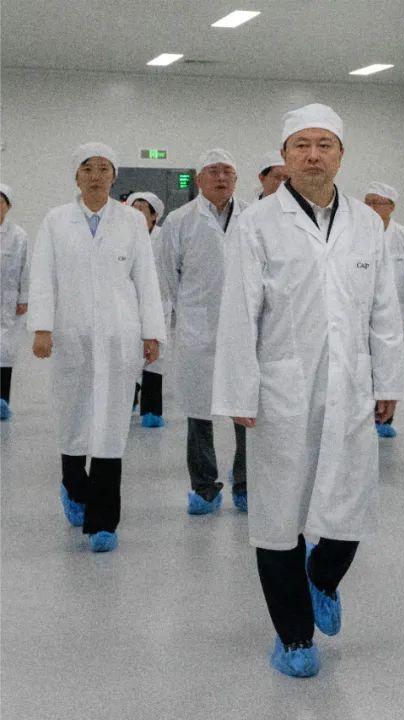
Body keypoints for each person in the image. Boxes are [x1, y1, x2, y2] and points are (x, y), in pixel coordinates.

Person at [212, 103, 404, 678]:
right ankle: (294, 637)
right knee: (279, 512)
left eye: (324, 144)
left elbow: (384, 309)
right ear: (285, 155)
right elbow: (239, 312)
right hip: (282, 386)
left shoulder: (367, 223)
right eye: (302, 145)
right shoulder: (257, 223)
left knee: (350, 502)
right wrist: (240, 392)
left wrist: (388, 379)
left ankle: (323, 575)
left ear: (341, 154)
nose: (313, 155)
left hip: (350, 383)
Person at [27, 143, 165, 552]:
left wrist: (151, 332)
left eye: (104, 168)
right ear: (76, 176)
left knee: (111, 425)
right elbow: (42, 276)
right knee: (73, 417)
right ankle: (73, 484)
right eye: (88, 168)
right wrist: (41, 328)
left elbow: (146, 280)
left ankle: (103, 522)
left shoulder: (131, 221)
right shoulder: (56, 220)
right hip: (71, 333)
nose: (96, 175)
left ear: (114, 176)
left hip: (119, 336)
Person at [161, 149, 251, 515]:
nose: (221, 177)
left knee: (246, 408)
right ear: (199, 179)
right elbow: (167, 278)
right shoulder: (179, 221)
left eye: (228, 171)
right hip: (197, 328)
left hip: (245, 328)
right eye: (213, 171)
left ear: (236, 179)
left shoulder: (252, 218)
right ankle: (204, 487)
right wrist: (176, 319)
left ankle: (246, 483)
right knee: (199, 412)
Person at [363, 181, 404, 439]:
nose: (371, 207)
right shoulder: (358, 233)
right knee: (364, 365)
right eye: (367, 202)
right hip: (363, 310)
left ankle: (385, 418)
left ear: (391, 207)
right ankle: (365, 416)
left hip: (397, 310)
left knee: (391, 363)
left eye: (376, 202)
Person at [127, 191, 168, 428]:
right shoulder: (122, 236)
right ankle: (129, 399)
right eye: (134, 207)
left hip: (160, 305)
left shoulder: (164, 238)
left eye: (143, 208)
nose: (138, 211)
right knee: (129, 355)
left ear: (154, 216)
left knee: (156, 359)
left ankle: (151, 410)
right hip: (130, 305)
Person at [0, 183, 30, 421]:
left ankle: (2, 401)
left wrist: (24, 298)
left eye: (1, 202)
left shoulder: (19, 235)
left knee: (5, 351)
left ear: (8, 206)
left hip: (8, 302)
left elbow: (25, 269)